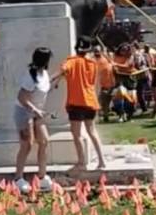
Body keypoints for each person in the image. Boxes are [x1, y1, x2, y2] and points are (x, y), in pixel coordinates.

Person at [13, 48, 56, 194]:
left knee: (44, 141)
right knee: (27, 144)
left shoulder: (44, 74)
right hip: (24, 112)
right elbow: (21, 97)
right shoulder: (30, 76)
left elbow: (44, 88)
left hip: (37, 113)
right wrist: (35, 110)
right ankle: (18, 178)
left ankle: (42, 177)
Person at [60, 38, 106, 172]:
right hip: (90, 100)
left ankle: (82, 161)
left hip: (75, 102)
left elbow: (64, 70)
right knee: (92, 131)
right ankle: (101, 160)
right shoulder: (92, 63)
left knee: (76, 133)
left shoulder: (70, 61)